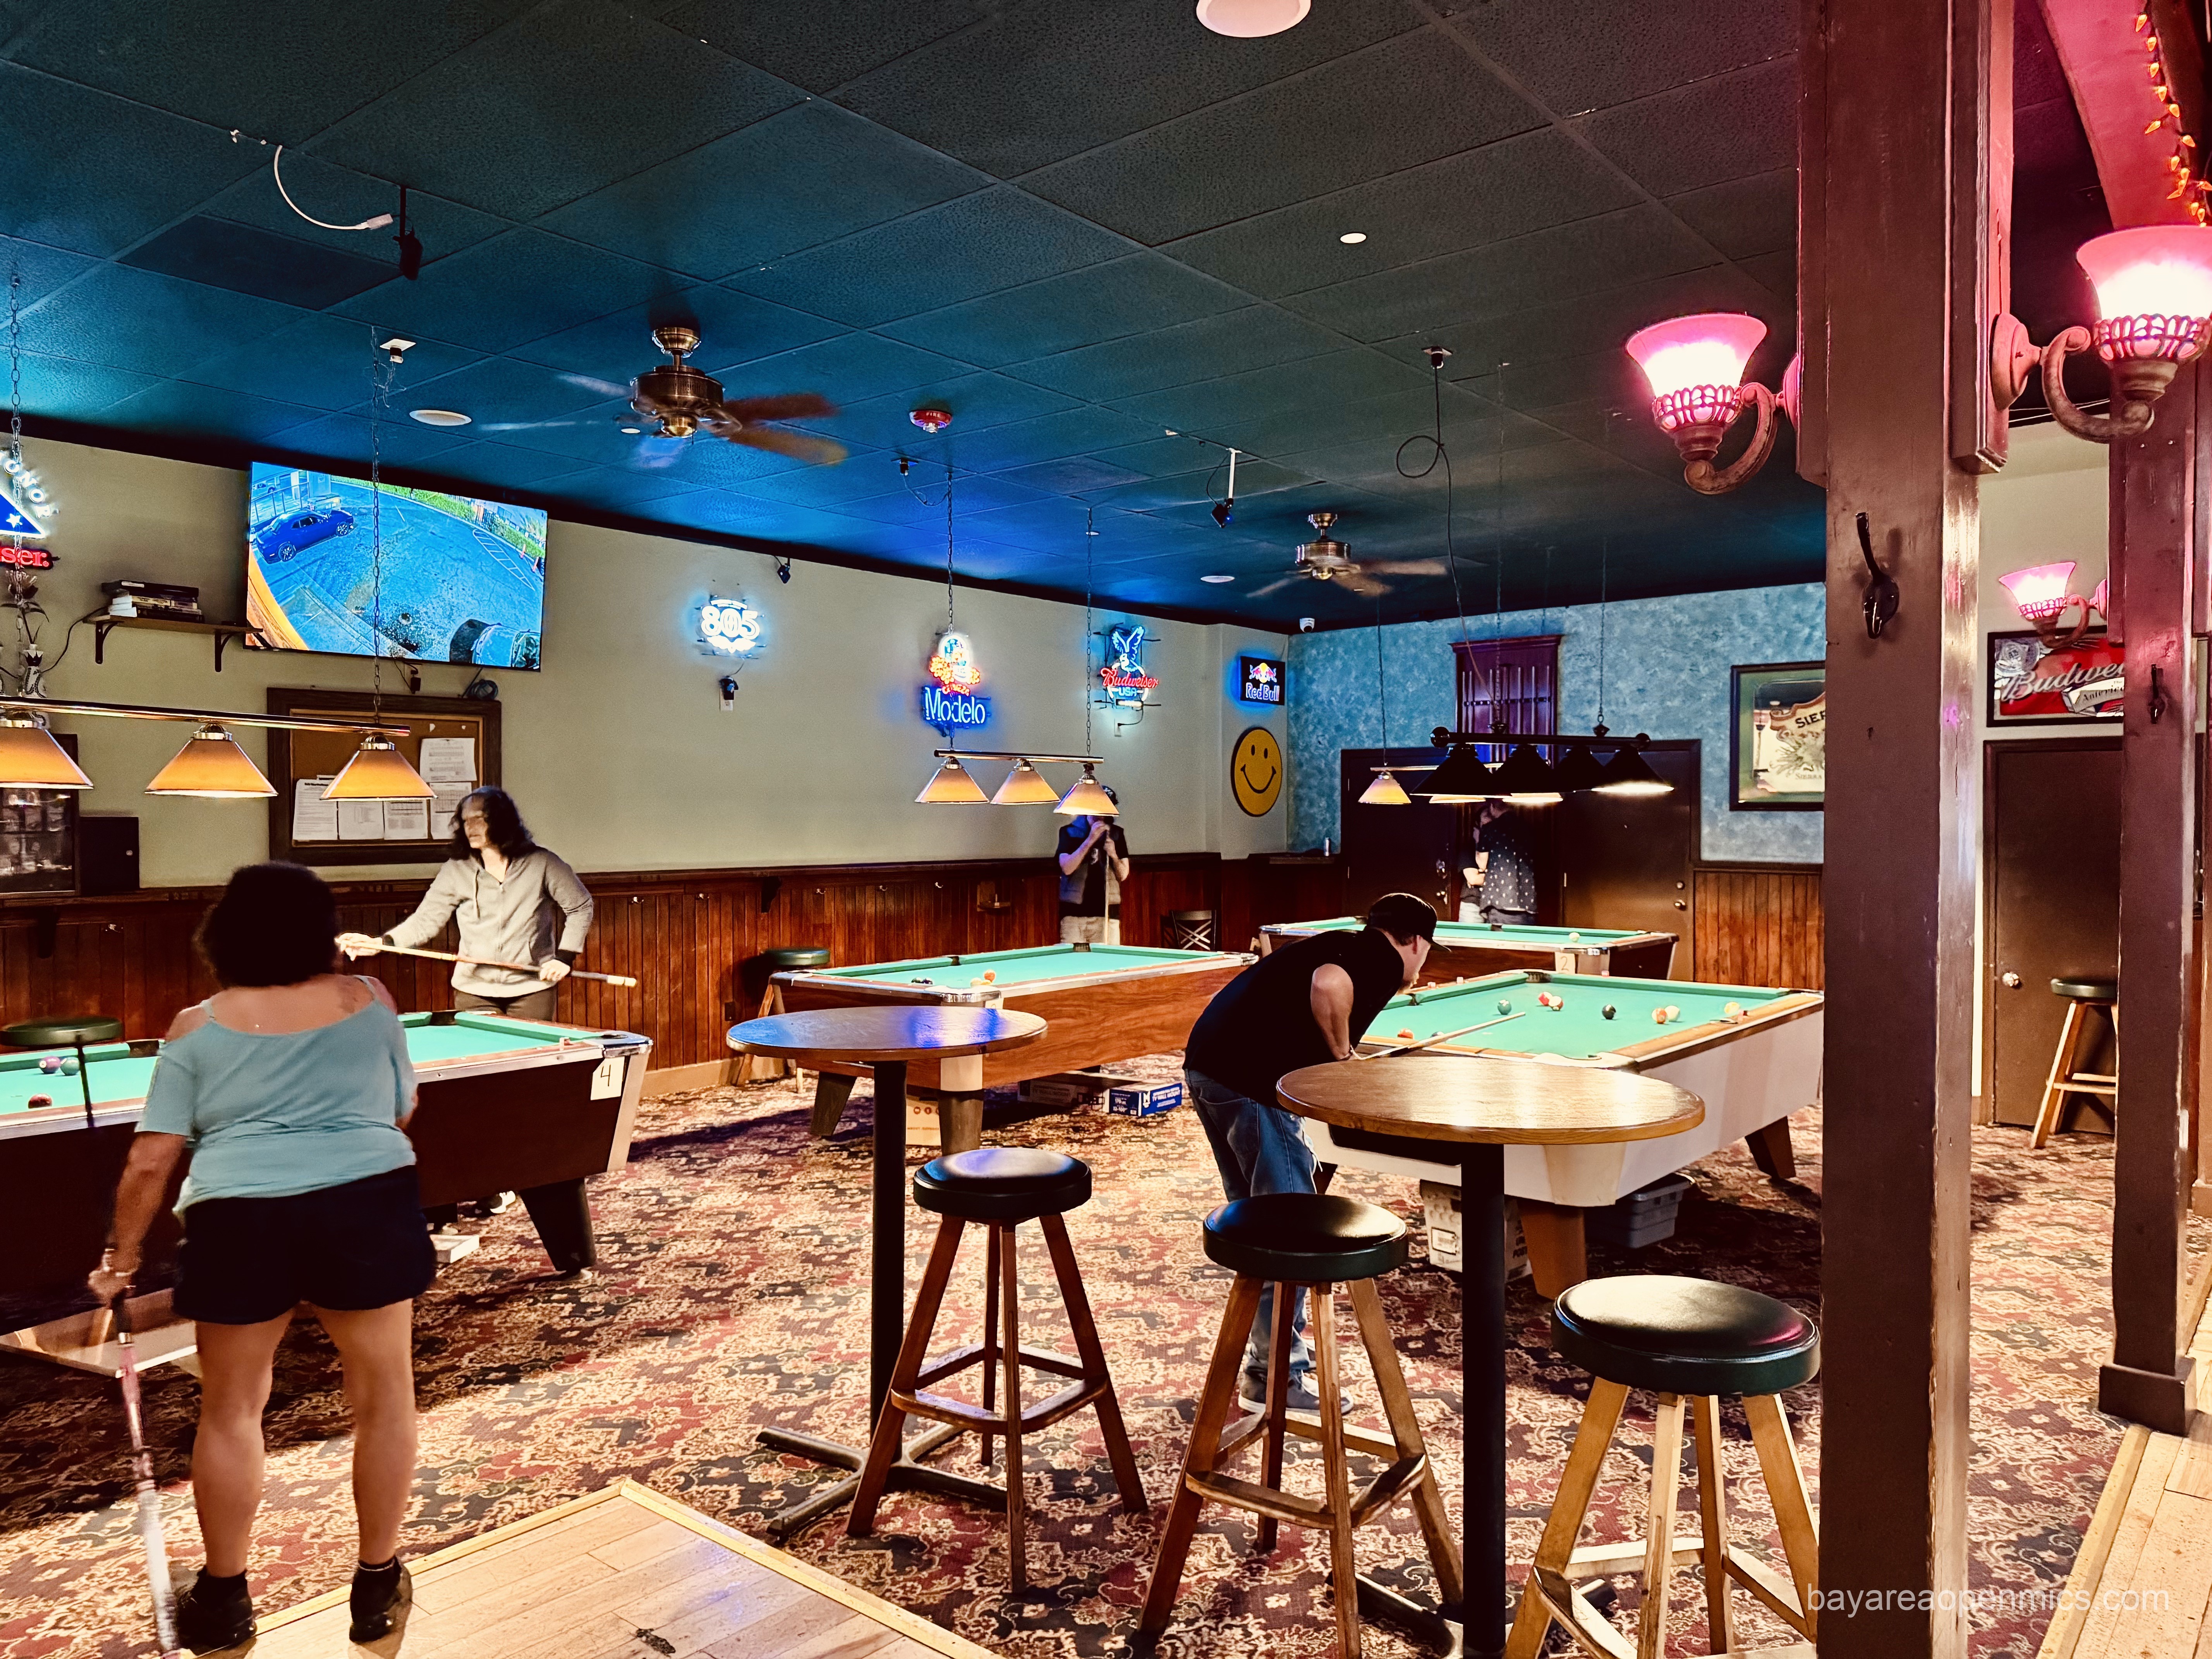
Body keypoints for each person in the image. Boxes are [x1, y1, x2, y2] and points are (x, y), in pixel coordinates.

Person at [89, 863, 432, 1652]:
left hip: (238, 1216)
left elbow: (151, 1160)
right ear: (322, 930)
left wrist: (120, 1255)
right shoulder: (373, 1002)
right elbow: (403, 1106)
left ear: (226, 933)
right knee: (385, 1399)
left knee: (234, 1408)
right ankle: (377, 1586)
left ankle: (225, 1598)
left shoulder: (193, 1026)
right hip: (366, 1202)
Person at [1182, 892, 1436, 1411]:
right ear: (1414, 942)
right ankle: (1277, 1376)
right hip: (1250, 1081)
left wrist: (1341, 1059)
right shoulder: (1382, 960)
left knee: (1258, 1220)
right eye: (1428, 949)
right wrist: (1344, 1058)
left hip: (1209, 1067)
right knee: (1288, 1230)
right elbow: (1329, 984)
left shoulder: (1351, 943)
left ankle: (1268, 1358)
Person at [340, 786, 594, 1023]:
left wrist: (564, 958)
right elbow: (426, 921)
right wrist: (382, 944)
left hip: (532, 990)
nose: (470, 827)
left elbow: (581, 907)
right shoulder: (455, 871)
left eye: (479, 819)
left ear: (502, 821)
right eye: (465, 820)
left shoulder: (543, 864)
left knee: (526, 1065)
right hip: (474, 991)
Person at [1056, 790, 1130, 945]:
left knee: (1107, 965)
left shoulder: (1116, 835)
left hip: (1107, 915)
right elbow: (1067, 867)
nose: (1100, 815)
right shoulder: (1070, 833)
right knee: (1073, 963)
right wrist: (1090, 841)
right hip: (1074, 916)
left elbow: (1123, 875)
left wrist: (1114, 855)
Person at [1461, 800, 1539, 926]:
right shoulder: (1529, 829)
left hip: (1499, 904)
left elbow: (1482, 865)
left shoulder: (1490, 830)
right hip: (1528, 905)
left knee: (1500, 945)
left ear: (1492, 807)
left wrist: (1480, 842)